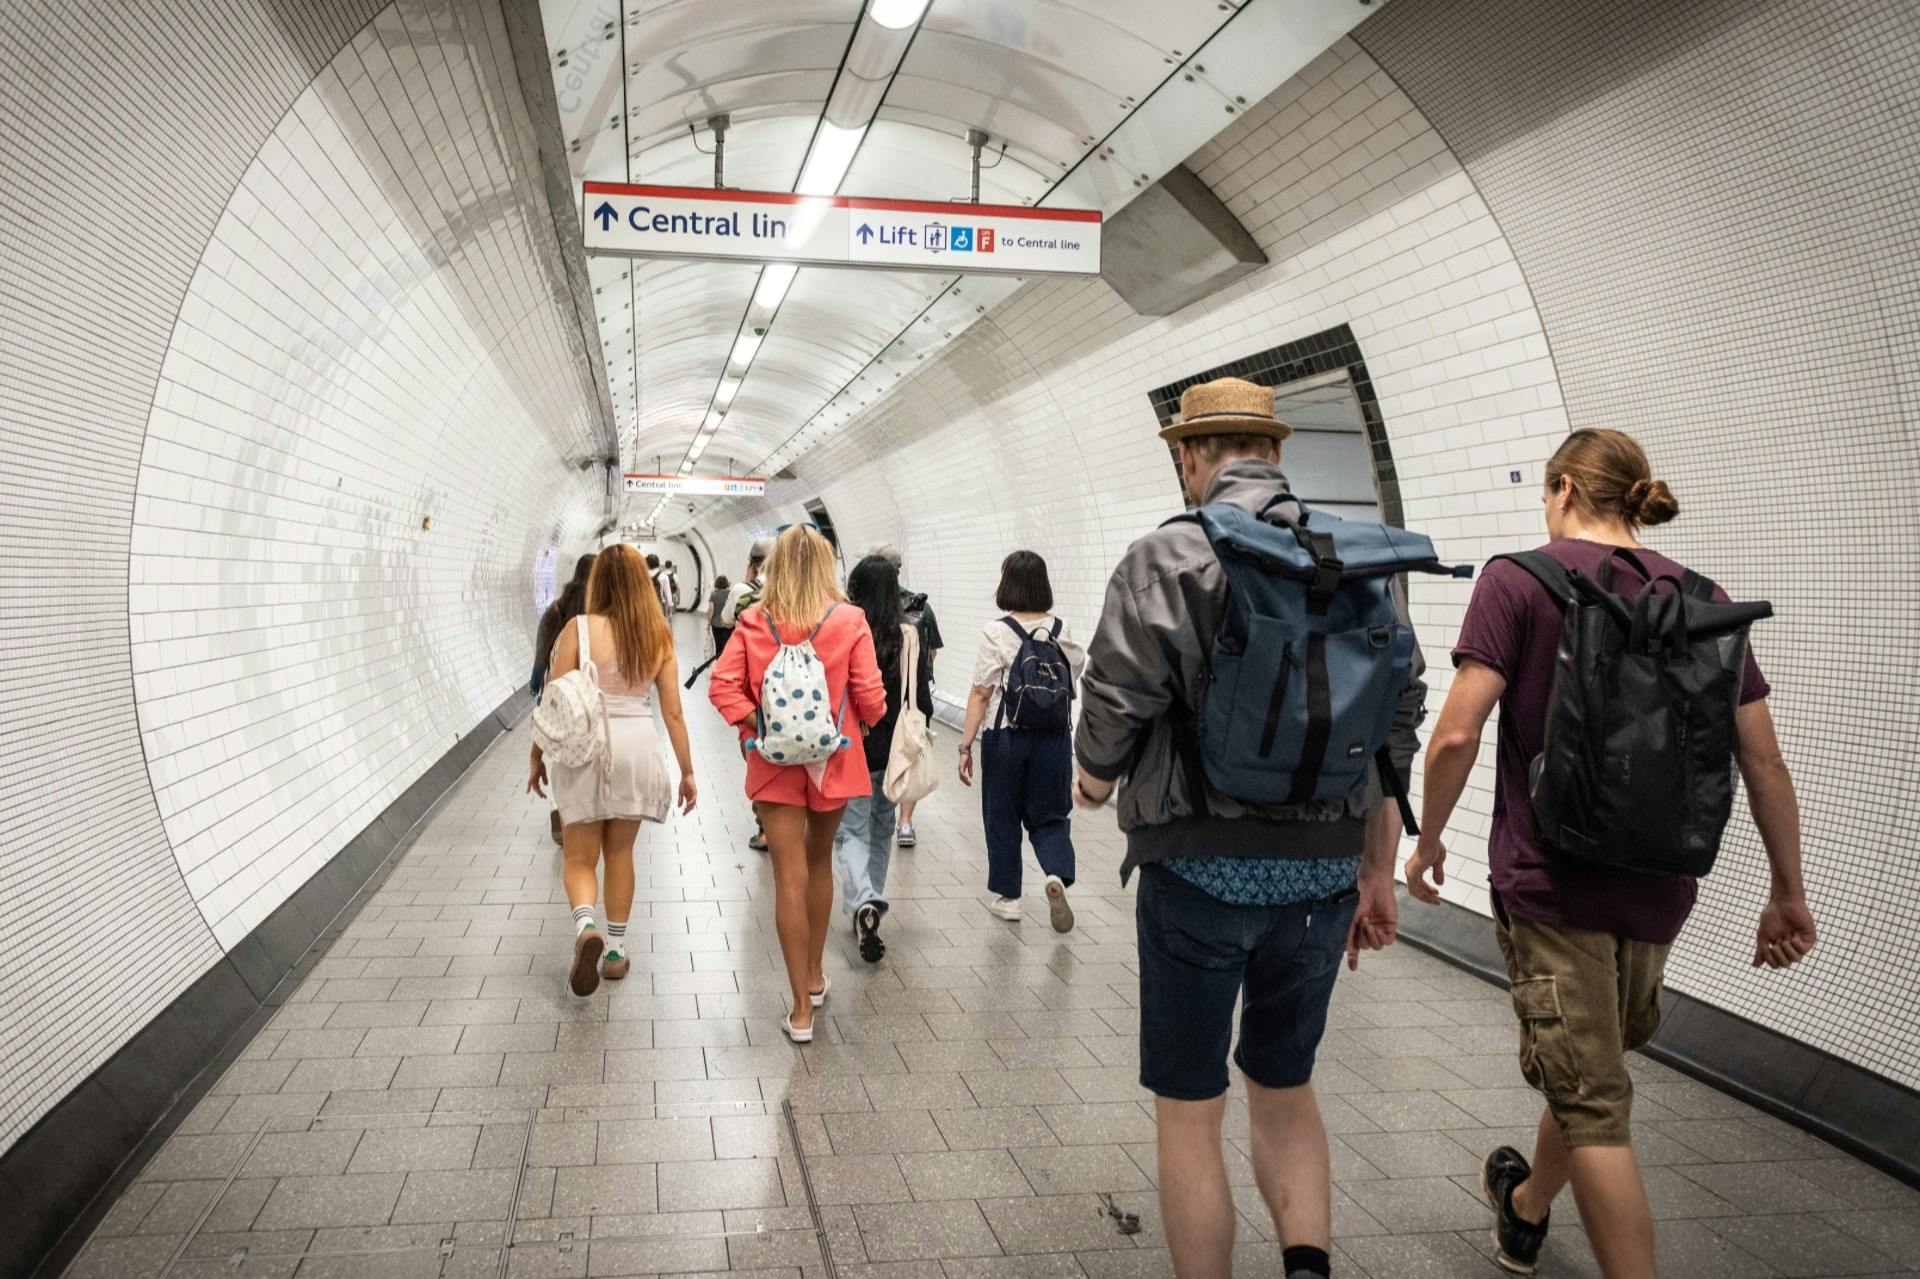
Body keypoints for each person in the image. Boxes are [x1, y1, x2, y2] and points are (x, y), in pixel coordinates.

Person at [1403, 428, 1817, 1279]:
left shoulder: (1518, 579)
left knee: (1592, 1101)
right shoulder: (1701, 597)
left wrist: (1429, 838)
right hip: (1658, 887)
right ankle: (1526, 1210)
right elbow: (1763, 759)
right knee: (1592, 1069)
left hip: (1551, 882)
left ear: (1562, 488)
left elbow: (1455, 734)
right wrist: (1788, 889)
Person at [1072, 377, 1419, 1279]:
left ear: (1190, 455)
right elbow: (1393, 731)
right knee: (1285, 1085)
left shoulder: (1166, 556)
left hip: (1198, 871)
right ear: (1275, 451)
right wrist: (1376, 871)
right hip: (1320, 882)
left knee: (1192, 1110)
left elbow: (1114, 699)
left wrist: (1093, 780)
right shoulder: (1361, 560)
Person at [710, 525, 886, 1040]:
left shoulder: (754, 620)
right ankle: (814, 974)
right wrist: (858, 722)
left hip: (773, 764)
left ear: (776, 567)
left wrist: (760, 725)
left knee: (788, 875)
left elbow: (722, 686)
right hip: (835, 759)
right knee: (819, 861)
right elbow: (871, 696)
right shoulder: (849, 620)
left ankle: (800, 1011)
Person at [529, 544, 697, 998]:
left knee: (579, 859)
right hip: (637, 746)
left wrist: (536, 756)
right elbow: (674, 713)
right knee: (621, 854)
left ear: (598, 581)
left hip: (586, 749)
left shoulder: (577, 629)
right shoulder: (657, 634)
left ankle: (586, 927)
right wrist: (687, 772)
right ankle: (616, 951)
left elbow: (554, 702)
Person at [957, 550, 1085, 930]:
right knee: (1052, 814)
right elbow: (1073, 675)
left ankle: (1009, 897)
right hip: (1054, 738)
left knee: (1002, 815)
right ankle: (1056, 872)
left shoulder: (996, 631)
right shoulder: (1063, 629)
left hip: (1006, 737)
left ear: (1007, 583)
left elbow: (981, 692)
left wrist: (965, 746)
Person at [833, 555, 933, 963]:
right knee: (881, 826)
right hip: (894, 748)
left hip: (853, 744)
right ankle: (871, 901)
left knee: (851, 832)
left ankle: (864, 900)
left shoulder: (844, 628)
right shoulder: (909, 633)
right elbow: (920, 697)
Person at [869, 544, 943, 848]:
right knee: (909, 755)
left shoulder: (858, 605)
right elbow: (933, 651)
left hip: (873, 700)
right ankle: (905, 822)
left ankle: (874, 816)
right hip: (911, 698)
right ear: (898, 569)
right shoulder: (920, 606)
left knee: (877, 764)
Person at [533, 552, 597, 845]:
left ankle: (558, 810)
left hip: (558, 693)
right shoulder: (600, 612)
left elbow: (542, 653)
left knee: (558, 751)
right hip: (589, 695)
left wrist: (537, 685)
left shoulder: (555, 610)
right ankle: (587, 808)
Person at [724, 539, 775, 850]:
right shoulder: (797, 593)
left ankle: (765, 827)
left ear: (753, 562)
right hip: (791, 690)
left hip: (753, 689)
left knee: (757, 758)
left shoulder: (743, 592)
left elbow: (727, 619)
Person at [680, 575, 735, 688]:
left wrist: (708, 623)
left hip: (716, 624)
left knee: (719, 647)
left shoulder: (713, 594)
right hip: (729, 624)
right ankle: (728, 669)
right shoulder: (731, 593)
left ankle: (720, 670)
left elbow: (711, 609)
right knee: (728, 647)